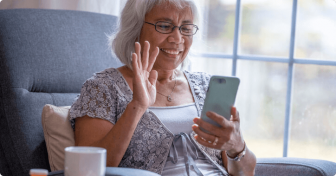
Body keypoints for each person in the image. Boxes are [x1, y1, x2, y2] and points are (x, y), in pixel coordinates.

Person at [69, 0, 256, 175]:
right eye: (164, 26)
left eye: (186, 28)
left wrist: (236, 146)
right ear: (136, 29)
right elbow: (87, 169)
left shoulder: (205, 86)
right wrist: (137, 106)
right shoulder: (103, 87)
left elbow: (246, 172)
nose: (177, 38)